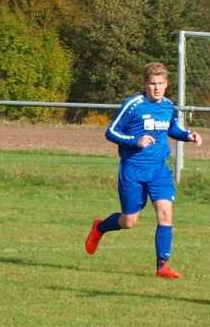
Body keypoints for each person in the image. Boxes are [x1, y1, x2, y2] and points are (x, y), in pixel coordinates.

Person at [85, 61, 201, 278]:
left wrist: (188, 135)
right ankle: (100, 227)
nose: (157, 88)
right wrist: (134, 140)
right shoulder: (133, 105)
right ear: (145, 84)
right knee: (129, 221)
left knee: (165, 213)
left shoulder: (168, 106)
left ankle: (162, 266)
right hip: (133, 170)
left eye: (160, 83)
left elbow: (172, 129)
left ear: (166, 84)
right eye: (152, 84)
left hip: (159, 170)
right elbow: (111, 132)